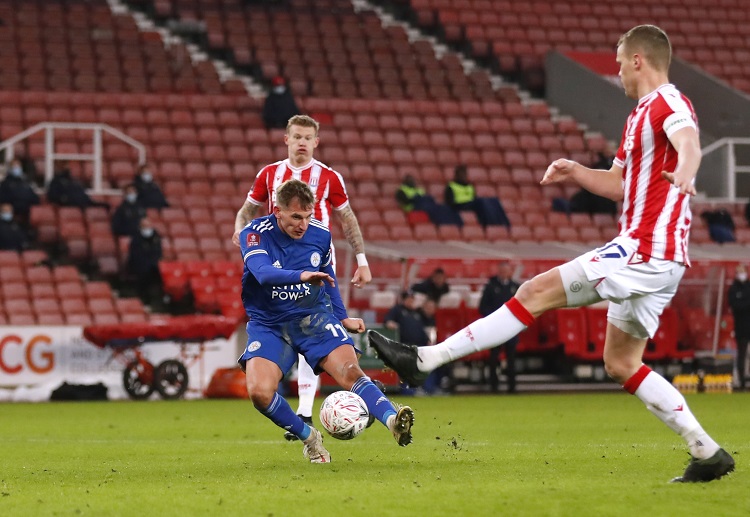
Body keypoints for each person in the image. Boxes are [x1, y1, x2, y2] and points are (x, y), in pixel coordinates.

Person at [368, 25, 734, 483]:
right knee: (621, 363)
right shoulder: (637, 116)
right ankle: (706, 451)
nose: (617, 70)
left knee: (534, 291)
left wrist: (685, 170)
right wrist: (577, 170)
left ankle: (425, 360)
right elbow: (618, 184)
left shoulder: (668, 102)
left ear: (639, 60)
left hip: (643, 249)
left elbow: (690, 144)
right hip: (658, 260)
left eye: (620, 61)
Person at [237, 179, 413, 463]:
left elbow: (327, 277)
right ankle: (310, 438)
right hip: (270, 323)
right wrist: (301, 276)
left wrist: (342, 317)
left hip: (313, 316)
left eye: (307, 216)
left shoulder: (320, 233)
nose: (302, 224)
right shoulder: (254, 234)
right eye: (295, 217)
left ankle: (392, 420)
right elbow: (263, 273)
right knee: (259, 393)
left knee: (350, 372)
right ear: (277, 210)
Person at [232, 114, 372, 441]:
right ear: (286, 139)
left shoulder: (330, 177)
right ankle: (305, 408)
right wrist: (240, 233)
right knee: (289, 329)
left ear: (316, 142)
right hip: (280, 261)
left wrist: (362, 260)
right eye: (296, 136)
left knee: (315, 334)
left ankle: (306, 409)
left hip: (318, 264)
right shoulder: (268, 174)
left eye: (308, 138)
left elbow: (347, 219)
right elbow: (247, 209)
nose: (302, 143)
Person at [478, 260, 520, 393]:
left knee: (511, 357)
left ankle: (512, 387)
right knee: (494, 357)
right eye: (502, 271)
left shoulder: (515, 287)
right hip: (495, 328)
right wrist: (492, 319)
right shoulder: (491, 286)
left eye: (506, 271)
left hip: (511, 328)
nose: (504, 273)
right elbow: (483, 307)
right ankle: (493, 386)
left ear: (510, 272)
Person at [126, 218, 163, 306]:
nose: (147, 229)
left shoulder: (156, 237)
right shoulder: (136, 239)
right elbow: (135, 255)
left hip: (154, 266)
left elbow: (158, 252)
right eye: (145, 226)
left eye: (149, 226)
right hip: (140, 266)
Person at [728, 263, 750, 391]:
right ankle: (741, 380)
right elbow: (734, 305)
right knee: (741, 354)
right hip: (741, 327)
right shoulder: (733, 289)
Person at [0, 158, 40, 224]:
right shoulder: (5, 183)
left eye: (18, 166)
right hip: (13, 214)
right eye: (14, 166)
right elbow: (3, 199)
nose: (17, 168)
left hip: (27, 215)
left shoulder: (25, 182)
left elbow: (35, 198)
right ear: (10, 168)